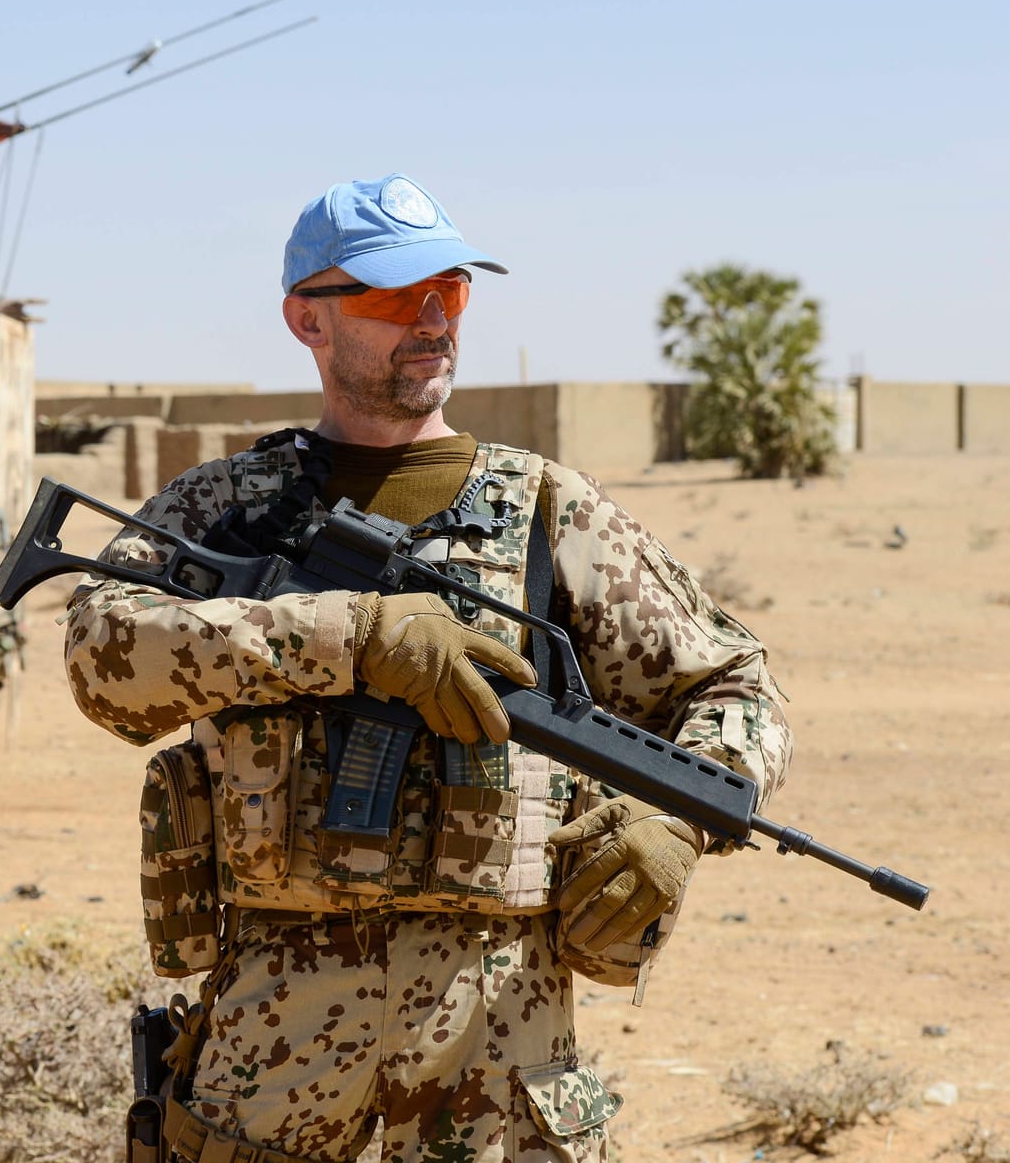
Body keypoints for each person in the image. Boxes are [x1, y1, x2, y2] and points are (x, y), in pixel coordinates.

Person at [64, 175, 793, 1161]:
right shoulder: (230, 506)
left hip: (497, 1047)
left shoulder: (548, 511)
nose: (432, 316)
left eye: (450, 288)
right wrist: (346, 637)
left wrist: (685, 811)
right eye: (391, 294)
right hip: (273, 1053)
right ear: (304, 320)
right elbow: (104, 655)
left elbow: (737, 682)